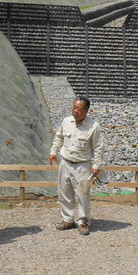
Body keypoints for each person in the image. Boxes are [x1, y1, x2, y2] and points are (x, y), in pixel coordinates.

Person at [49, 97, 104, 236]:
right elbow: (59, 137)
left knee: (82, 195)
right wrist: (53, 152)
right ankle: (67, 219)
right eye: (74, 107)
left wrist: (96, 166)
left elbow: (98, 147)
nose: (75, 111)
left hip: (82, 165)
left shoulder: (93, 126)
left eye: (79, 109)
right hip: (66, 162)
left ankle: (83, 221)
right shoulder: (66, 121)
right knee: (64, 192)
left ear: (86, 110)